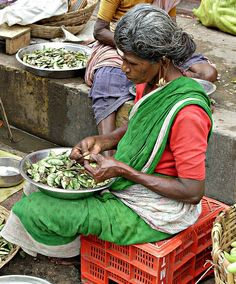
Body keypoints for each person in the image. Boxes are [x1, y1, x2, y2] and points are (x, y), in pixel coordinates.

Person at [1, 5, 213, 258]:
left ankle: (72, 254)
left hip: (157, 207)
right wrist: (104, 139)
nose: (123, 68)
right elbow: (138, 124)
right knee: (35, 188)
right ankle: (75, 240)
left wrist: (122, 170)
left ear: (163, 61)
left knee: (36, 211)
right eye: (122, 58)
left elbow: (191, 192)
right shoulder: (154, 81)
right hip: (133, 180)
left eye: (132, 62)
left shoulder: (188, 114)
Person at [85, 0, 217, 143]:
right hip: (124, 44)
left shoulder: (188, 117)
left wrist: (154, 48)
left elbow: (172, 31)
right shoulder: (143, 86)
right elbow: (99, 30)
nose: (124, 67)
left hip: (155, 47)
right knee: (107, 80)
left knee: (207, 72)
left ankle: (175, 79)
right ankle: (106, 153)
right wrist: (132, 48)